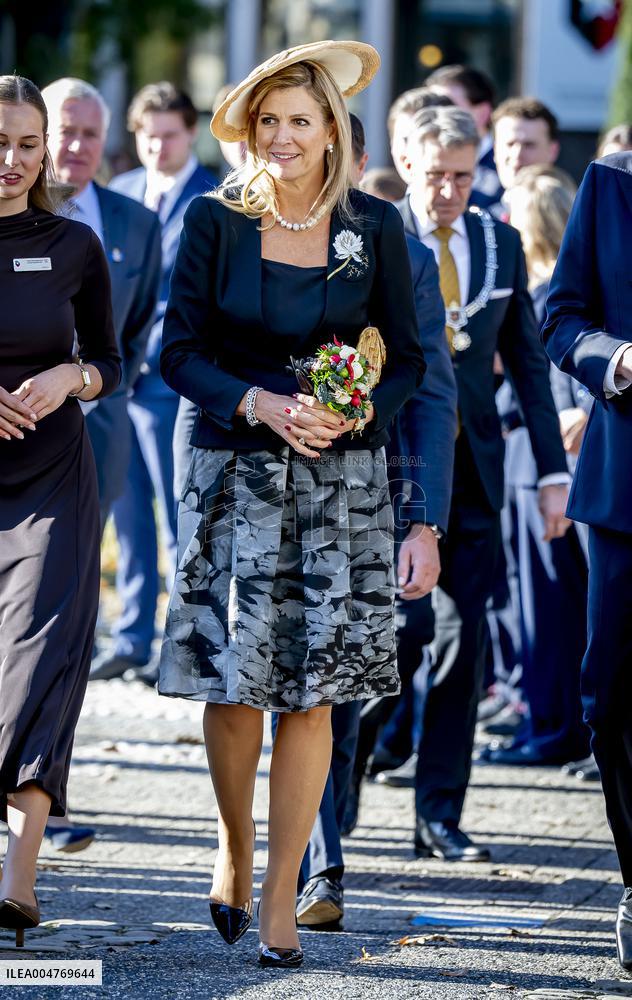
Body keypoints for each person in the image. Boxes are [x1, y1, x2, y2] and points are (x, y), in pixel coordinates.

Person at [156, 40, 425, 968]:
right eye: (267, 122)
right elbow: (175, 352)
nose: (281, 137)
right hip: (233, 473)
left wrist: (351, 414)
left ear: (331, 133)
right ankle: (234, 848)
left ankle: (282, 894)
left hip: (342, 486)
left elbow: (415, 363)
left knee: (313, 696)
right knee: (236, 688)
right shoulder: (212, 219)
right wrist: (257, 400)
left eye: (298, 123)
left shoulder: (376, 227)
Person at [295, 112, 455, 930]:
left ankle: (333, 799)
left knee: (345, 685)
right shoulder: (253, 246)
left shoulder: (410, 260)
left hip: (371, 495)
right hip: (272, 492)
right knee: (308, 677)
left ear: (358, 160)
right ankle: (321, 864)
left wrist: (420, 524)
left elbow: (428, 394)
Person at [400, 105, 570, 861]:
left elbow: (530, 368)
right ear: (409, 164)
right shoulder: (371, 237)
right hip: (388, 473)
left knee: (463, 647)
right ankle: (323, 831)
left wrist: (552, 476)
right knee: (393, 644)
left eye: (463, 178)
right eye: (436, 175)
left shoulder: (499, 245)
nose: (447, 192)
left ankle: (438, 813)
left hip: (474, 478)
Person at [0, 74, 120, 946]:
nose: (13, 161)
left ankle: (19, 877)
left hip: (52, 479)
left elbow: (111, 360)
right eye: (0, 143)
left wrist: (70, 378)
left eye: (28, 145)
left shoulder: (74, 244)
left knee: (40, 658)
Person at [542, 147, 632, 973]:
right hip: (625, 489)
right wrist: (614, 359)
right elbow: (560, 317)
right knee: (612, 693)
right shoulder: (611, 185)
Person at [94, 84, 218, 682]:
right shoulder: (116, 194)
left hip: (176, 382)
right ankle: (131, 634)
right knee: (127, 514)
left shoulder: (214, 198)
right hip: (118, 382)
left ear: (190, 133)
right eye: (146, 133)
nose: (156, 145)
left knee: (178, 513)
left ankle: (181, 639)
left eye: (168, 133)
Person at [480, 164, 590, 768]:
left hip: (549, 464)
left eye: (513, 220)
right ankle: (539, 720)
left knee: (552, 606)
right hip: (523, 459)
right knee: (529, 603)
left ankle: (556, 729)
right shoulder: (544, 289)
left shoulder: (555, 295)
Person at [42, 78, 161, 534]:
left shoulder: (137, 223)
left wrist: (104, 391)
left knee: (83, 565)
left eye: (91, 134)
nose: (77, 145)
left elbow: (138, 325)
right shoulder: (10, 214)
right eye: (66, 130)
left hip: (101, 429)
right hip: (15, 423)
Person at [426, 64, 503, 213]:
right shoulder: (422, 161)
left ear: (482, 113)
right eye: (430, 108)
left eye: (447, 106)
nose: (436, 117)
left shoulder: (507, 163)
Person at [492, 97, 560, 195]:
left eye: (529, 145)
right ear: (495, 150)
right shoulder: (474, 205)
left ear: (553, 151)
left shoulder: (571, 208)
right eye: (509, 144)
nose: (517, 154)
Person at [388, 87, 453, 185]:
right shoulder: (371, 197)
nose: (410, 152)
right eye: (406, 139)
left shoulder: (479, 199)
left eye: (424, 139)